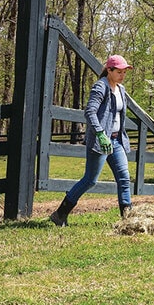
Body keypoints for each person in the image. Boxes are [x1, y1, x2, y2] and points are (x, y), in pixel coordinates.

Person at [50, 54, 134, 226]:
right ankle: (60, 214)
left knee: (124, 178)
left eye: (124, 72)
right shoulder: (100, 87)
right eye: (119, 72)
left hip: (116, 141)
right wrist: (101, 134)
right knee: (90, 180)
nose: (122, 75)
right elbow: (90, 112)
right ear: (109, 70)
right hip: (101, 141)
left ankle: (128, 221)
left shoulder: (121, 90)